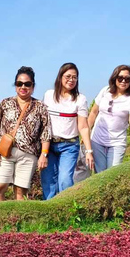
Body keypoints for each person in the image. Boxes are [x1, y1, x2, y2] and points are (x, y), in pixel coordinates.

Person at [0, 67, 51, 201]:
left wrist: (44, 155)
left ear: (33, 86)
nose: (23, 87)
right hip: (5, 152)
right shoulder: (5, 103)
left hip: (28, 155)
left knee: (20, 192)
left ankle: (16, 220)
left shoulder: (40, 107)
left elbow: (46, 132)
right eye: (19, 83)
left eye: (27, 84)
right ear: (15, 85)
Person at [40, 63, 94, 199]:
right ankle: (50, 212)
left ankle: (66, 211)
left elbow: (83, 126)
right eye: (68, 76)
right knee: (49, 181)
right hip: (49, 145)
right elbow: (42, 121)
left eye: (74, 77)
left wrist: (88, 151)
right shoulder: (48, 95)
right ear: (60, 77)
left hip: (69, 146)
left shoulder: (80, 99)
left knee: (65, 180)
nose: (71, 80)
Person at [87, 65, 130, 172]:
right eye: (120, 78)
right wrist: (86, 132)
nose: (123, 81)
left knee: (112, 172)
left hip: (117, 142)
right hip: (97, 140)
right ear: (114, 78)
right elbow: (93, 112)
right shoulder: (105, 91)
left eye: (127, 79)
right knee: (100, 173)